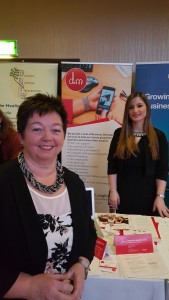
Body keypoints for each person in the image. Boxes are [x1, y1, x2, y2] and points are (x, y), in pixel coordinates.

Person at [0, 93, 97, 300]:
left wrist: (82, 265)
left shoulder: (74, 183)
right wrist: (28, 286)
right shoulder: (3, 182)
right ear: (20, 136)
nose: (47, 138)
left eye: (55, 130)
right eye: (36, 129)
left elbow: (89, 233)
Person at [107, 91, 169, 217]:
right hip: (122, 195)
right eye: (131, 107)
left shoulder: (159, 136)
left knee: (147, 234)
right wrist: (113, 191)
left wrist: (160, 197)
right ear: (127, 111)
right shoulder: (119, 134)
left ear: (147, 107)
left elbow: (162, 170)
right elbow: (112, 165)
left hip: (150, 197)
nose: (135, 110)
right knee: (122, 232)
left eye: (139, 105)